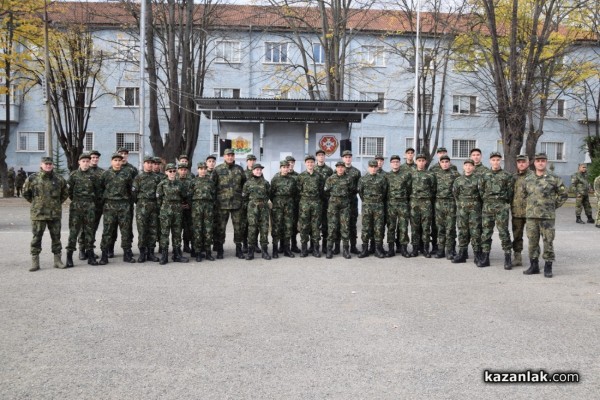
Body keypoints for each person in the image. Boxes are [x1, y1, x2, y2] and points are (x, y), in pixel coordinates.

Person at [522, 153, 568, 278]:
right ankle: (534, 265)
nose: (540, 163)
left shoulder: (554, 178)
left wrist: (552, 206)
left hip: (547, 217)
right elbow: (524, 195)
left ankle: (548, 267)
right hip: (532, 216)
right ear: (534, 163)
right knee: (532, 241)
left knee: (548, 241)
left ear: (546, 162)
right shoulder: (528, 179)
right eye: (538, 161)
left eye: (543, 161)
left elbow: (563, 195)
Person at [23, 157, 69, 271]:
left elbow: (65, 193)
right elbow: (26, 193)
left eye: (50, 164)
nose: (48, 166)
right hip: (38, 214)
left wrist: (56, 204)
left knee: (56, 238)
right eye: (46, 164)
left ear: (52, 165)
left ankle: (57, 260)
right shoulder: (33, 178)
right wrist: (36, 203)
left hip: (54, 214)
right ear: (41, 165)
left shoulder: (59, 179)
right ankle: (35, 262)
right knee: (36, 237)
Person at [98, 153, 136, 265]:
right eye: (115, 160)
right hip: (110, 206)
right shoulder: (105, 174)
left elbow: (131, 190)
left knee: (126, 231)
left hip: (124, 206)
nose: (118, 162)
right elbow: (100, 189)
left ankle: (127, 254)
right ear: (111, 162)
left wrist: (129, 202)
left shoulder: (127, 174)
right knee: (108, 231)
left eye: (119, 160)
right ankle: (104, 255)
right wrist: (104, 202)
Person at [478, 152, 514, 269]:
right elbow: (481, 191)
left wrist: (502, 202)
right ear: (490, 161)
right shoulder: (484, 175)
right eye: (493, 160)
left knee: (503, 232)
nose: (496, 162)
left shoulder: (506, 175)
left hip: (501, 207)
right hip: (488, 207)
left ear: (501, 161)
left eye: (498, 160)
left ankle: (507, 258)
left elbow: (510, 192)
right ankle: (485, 257)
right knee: (486, 233)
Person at [66, 152, 101, 267]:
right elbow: (68, 192)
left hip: (90, 206)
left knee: (90, 231)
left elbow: (98, 191)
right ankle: (69, 256)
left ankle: (90, 256)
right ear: (79, 162)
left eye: (87, 161)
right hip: (77, 206)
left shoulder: (94, 176)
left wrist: (91, 202)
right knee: (74, 232)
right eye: (83, 161)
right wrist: (77, 200)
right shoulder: (74, 175)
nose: (86, 163)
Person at [212, 149, 246, 259]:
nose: (230, 157)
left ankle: (238, 249)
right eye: (228, 155)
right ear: (224, 156)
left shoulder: (239, 169)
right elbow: (212, 186)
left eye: (232, 155)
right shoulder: (218, 170)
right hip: (222, 204)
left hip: (237, 204)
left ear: (234, 157)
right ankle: (220, 249)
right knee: (220, 227)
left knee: (238, 227)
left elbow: (245, 185)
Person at [156, 163, 189, 264]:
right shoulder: (162, 184)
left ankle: (177, 255)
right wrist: (163, 209)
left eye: (174, 171)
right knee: (164, 233)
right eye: (170, 171)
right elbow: (158, 199)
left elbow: (184, 196)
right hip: (165, 212)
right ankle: (164, 256)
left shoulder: (180, 184)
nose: (172, 173)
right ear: (166, 172)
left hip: (177, 212)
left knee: (177, 233)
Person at [451, 159, 483, 264]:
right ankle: (462, 254)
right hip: (462, 210)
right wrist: (461, 205)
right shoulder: (458, 180)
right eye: (466, 165)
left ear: (473, 167)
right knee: (462, 231)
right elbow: (456, 194)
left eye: (470, 165)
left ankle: (477, 255)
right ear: (463, 167)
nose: (468, 167)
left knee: (475, 232)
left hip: (475, 210)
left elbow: (481, 194)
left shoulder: (478, 179)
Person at [132, 156, 162, 263]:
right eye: (147, 163)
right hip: (142, 206)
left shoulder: (157, 178)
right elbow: (134, 193)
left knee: (153, 230)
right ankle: (142, 253)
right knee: (142, 230)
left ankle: (151, 253)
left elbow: (160, 192)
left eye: (151, 163)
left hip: (154, 206)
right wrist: (140, 203)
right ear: (144, 164)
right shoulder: (138, 178)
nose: (150, 165)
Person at [357, 159, 388, 258]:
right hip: (367, 206)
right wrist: (367, 201)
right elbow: (360, 193)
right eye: (371, 167)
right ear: (368, 167)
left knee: (378, 227)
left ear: (377, 167)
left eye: (375, 167)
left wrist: (377, 200)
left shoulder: (382, 179)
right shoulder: (363, 179)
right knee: (366, 228)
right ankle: (365, 249)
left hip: (378, 206)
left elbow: (384, 192)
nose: (373, 169)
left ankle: (378, 249)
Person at [78, 149, 104, 261]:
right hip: (84, 205)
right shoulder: (82, 171)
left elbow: (103, 188)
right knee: (83, 229)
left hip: (97, 206)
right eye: (92, 157)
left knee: (92, 229)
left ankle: (90, 250)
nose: (94, 159)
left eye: (96, 158)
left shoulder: (102, 172)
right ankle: (81, 250)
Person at [242, 163, 272, 260]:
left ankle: (264, 251)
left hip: (263, 207)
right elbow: (244, 197)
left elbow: (269, 194)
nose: (258, 171)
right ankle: (250, 252)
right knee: (252, 229)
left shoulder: (266, 183)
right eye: (257, 170)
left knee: (264, 228)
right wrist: (250, 206)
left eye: (260, 170)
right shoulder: (247, 183)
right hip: (252, 208)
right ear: (253, 171)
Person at [432, 154, 460, 259]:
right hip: (439, 203)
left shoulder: (455, 174)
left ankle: (450, 250)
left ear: (449, 163)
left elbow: (458, 189)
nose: (444, 164)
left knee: (451, 228)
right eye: (442, 162)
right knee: (440, 228)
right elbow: (432, 188)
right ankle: (440, 250)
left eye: (446, 162)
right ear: (440, 163)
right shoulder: (435, 174)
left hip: (451, 203)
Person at [324, 161, 353, 259]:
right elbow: (326, 191)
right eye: (338, 167)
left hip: (345, 205)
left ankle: (345, 250)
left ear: (345, 168)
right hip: (333, 205)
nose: (340, 169)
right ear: (336, 168)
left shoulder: (349, 178)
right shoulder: (330, 179)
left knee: (345, 227)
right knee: (332, 227)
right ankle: (329, 249)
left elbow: (351, 191)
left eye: (342, 167)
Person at [297, 154, 325, 257]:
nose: (310, 164)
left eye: (312, 162)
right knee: (304, 226)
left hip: (316, 203)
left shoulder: (319, 176)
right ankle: (304, 249)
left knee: (316, 227)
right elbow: (298, 190)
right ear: (305, 164)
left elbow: (322, 190)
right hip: (304, 203)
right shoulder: (301, 176)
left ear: (314, 163)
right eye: (308, 162)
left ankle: (315, 249)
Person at [385, 154, 412, 258]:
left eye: (397, 162)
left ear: (399, 163)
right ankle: (391, 249)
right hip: (391, 204)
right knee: (391, 227)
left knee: (403, 227)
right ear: (390, 164)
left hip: (403, 204)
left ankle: (403, 249)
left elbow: (409, 189)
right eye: (393, 162)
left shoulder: (406, 175)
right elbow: (385, 190)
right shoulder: (387, 176)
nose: (395, 163)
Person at [409, 154, 437, 258]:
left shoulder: (430, 175)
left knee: (426, 227)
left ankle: (425, 249)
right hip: (414, 203)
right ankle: (415, 249)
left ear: (425, 162)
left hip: (426, 203)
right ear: (416, 162)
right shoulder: (411, 174)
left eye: (422, 160)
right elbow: (408, 188)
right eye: (419, 160)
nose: (421, 162)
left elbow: (433, 189)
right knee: (414, 227)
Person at [189, 162, 216, 262]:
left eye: (204, 169)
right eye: (201, 169)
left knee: (208, 230)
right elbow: (189, 195)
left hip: (208, 207)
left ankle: (208, 252)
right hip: (196, 208)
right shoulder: (193, 182)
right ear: (197, 170)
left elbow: (214, 195)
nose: (203, 170)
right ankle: (198, 253)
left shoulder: (210, 182)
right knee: (197, 230)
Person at [270, 160, 297, 258]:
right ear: (280, 168)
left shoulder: (292, 180)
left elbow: (294, 193)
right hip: (278, 206)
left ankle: (287, 249)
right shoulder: (275, 179)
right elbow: (271, 193)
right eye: (284, 167)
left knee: (288, 227)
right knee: (277, 227)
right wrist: (277, 202)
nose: (286, 169)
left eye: (287, 167)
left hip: (289, 206)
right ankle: (275, 249)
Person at [511, 154, 532, 267]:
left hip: (531, 213)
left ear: (528, 163)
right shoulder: (513, 177)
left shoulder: (533, 177)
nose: (521, 164)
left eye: (524, 162)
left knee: (532, 236)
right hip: (517, 212)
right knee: (517, 236)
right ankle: (517, 257)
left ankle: (533, 259)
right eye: (519, 162)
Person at [342, 150, 361, 254]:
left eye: (349, 157)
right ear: (342, 158)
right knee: (341, 224)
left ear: (351, 158)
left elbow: (360, 186)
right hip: (341, 202)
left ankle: (353, 247)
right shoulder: (338, 170)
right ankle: (338, 247)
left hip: (352, 201)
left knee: (353, 224)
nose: (347, 159)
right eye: (345, 157)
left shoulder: (356, 172)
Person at [315, 149, 334, 250]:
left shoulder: (329, 170)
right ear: (317, 157)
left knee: (326, 223)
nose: (321, 157)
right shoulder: (313, 169)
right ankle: (314, 245)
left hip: (326, 201)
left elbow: (332, 184)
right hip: (315, 201)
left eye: (322, 155)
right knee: (315, 223)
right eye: (319, 155)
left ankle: (325, 246)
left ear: (324, 157)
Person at [241, 154, 258, 254]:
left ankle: (255, 244)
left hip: (255, 204)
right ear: (247, 161)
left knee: (255, 224)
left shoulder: (258, 171)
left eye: (253, 160)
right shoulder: (243, 173)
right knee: (246, 224)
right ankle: (245, 244)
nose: (252, 162)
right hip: (246, 202)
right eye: (250, 160)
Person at [285, 155, 301, 253]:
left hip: (295, 205)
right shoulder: (279, 175)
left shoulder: (298, 176)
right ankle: (283, 246)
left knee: (294, 226)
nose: (290, 164)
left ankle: (294, 245)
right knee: (284, 226)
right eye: (288, 163)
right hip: (283, 206)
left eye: (292, 162)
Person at [177, 162, 194, 255]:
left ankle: (186, 246)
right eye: (181, 170)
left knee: (188, 229)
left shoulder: (190, 182)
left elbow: (193, 195)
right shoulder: (173, 180)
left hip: (188, 208)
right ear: (178, 170)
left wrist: (189, 205)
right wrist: (179, 205)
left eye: (184, 170)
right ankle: (177, 247)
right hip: (177, 209)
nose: (183, 171)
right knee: (177, 229)